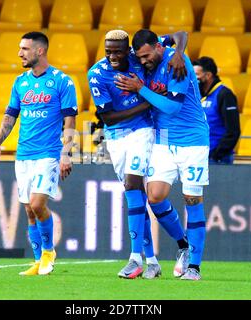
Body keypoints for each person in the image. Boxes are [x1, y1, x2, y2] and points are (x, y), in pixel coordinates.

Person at [87, 29, 189, 279]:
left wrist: (179, 54)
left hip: (143, 130)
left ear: (127, 50)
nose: (113, 56)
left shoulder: (137, 55)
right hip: (115, 137)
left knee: (133, 186)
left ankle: (134, 258)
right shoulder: (96, 74)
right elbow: (107, 117)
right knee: (135, 196)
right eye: (108, 50)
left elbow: (179, 34)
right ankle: (153, 260)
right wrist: (147, 100)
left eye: (118, 51)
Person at [115, 29, 210, 281]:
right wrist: (179, 47)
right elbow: (178, 33)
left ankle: (194, 268)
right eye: (140, 57)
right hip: (162, 140)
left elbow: (173, 106)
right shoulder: (164, 49)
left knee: (192, 200)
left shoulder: (177, 63)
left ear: (157, 47)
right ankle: (183, 245)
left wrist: (140, 88)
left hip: (192, 140)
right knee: (155, 196)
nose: (144, 61)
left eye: (147, 56)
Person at [0, 31, 77, 276]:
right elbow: (10, 116)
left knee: (38, 204)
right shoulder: (20, 82)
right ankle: (38, 260)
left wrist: (66, 154)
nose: (19, 53)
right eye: (20, 48)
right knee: (28, 209)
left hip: (48, 153)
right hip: (23, 154)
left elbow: (70, 121)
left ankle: (49, 252)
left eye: (24, 49)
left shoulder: (62, 81)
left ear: (40, 51)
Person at [193, 57, 240, 164]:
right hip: (197, 155)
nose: (193, 78)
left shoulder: (225, 95)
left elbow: (233, 131)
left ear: (208, 75)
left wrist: (216, 155)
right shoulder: (197, 95)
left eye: (196, 74)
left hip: (217, 159)